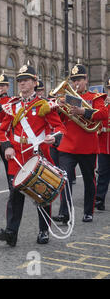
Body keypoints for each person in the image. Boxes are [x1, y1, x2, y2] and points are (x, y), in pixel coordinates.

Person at [0, 64, 66, 246]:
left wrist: (53, 137)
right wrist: (7, 147)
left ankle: (44, 230)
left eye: (26, 80)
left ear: (35, 82)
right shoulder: (13, 107)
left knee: (41, 194)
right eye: (20, 81)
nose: (22, 84)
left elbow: (59, 128)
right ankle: (11, 232)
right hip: (17, 157)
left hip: (37, 154)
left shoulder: (44, 105)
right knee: (14, 196)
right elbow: (3, 131)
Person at [52, 63, 107, 223]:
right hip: (68, 145)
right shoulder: (67, 98)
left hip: (87, 146)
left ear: (86, 79)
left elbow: (103, 113)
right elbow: (60, 120)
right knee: (65, 179)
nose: (76, 83)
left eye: (79, 80)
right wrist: (59, 108)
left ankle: (88, 211)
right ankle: (64, 213)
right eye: (74, 80)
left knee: (89, 180)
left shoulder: (96, 97)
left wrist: (84, 111)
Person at [95, 78, 110, 211]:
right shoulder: (103, 105)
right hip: (104, 144)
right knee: (103, 173)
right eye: (109, 89)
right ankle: (99, 199)